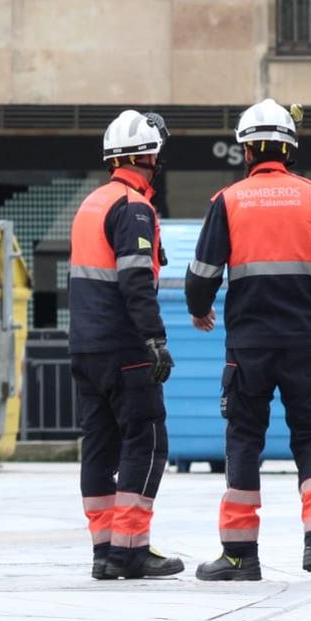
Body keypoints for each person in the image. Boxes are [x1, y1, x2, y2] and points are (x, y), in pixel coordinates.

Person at [186, 99, 311, 581]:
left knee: (245, 438)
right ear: (290, 150)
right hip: (306, 344)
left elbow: (201, 274)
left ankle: (239, 555)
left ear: (246, 152)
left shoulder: (227, 201)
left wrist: (199, 307)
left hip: (248, 348)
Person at [67, 109, 183, 580]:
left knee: (99, 446)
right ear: (148, 157)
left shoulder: (92, 202)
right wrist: (155, 339)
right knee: (148, 440)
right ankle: (131, 548)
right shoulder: (134, 208)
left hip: (87, 349)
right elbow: (136, 278)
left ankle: (104, 550)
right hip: (125, 349)